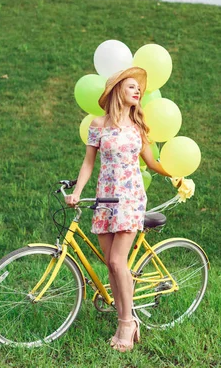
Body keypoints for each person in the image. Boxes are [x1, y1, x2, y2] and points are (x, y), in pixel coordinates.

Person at [65, 67, 171, 352]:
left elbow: (151, 163)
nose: (138, 92)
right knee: (110, 263)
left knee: (116, 261)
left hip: (131, 197)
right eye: (132, 87)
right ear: (117, 91)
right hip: (105, 198)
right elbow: (89, 163)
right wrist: (77, 192)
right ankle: (126, 317)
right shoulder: (98, 125)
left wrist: (175, 172)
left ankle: (127, 322)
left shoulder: (138, 128)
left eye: (140, 89)